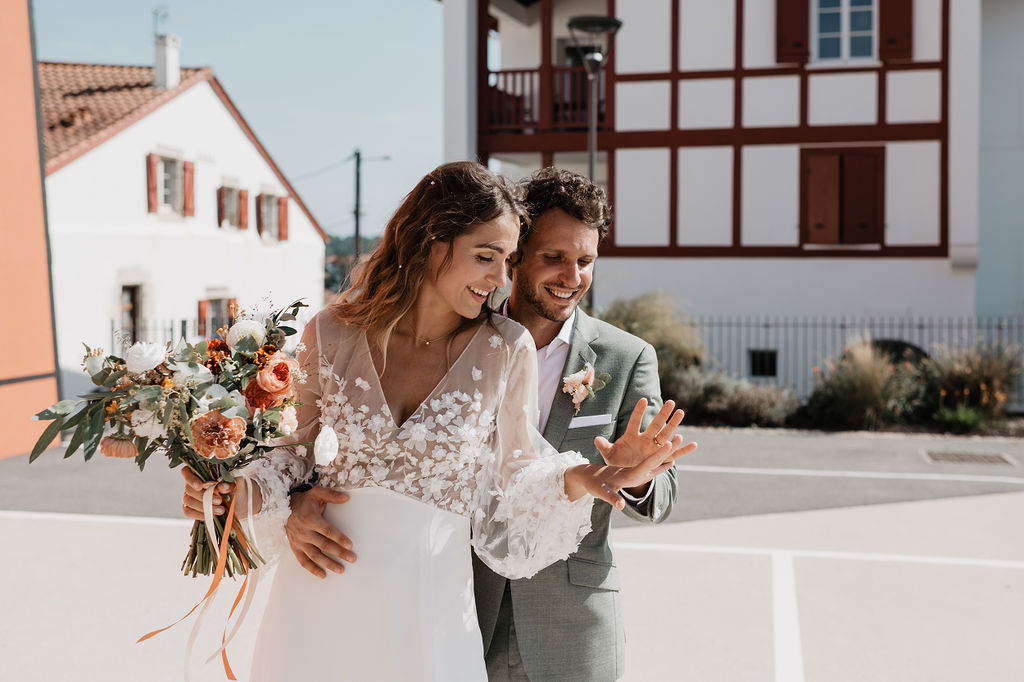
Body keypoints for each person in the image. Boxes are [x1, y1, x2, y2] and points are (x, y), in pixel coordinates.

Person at [181, 162, 691, 681]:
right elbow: (293, 453)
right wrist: (240, 495)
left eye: (506, 260)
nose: (500, 278)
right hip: (320, 595)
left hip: (432, 610)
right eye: (489, 258)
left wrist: (588, 478)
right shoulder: (331, 331)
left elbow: (520, 474)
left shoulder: (506, 348)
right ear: (430, 241)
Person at [475, 167, 684, 681]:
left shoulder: (626, 357)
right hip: (464, 611)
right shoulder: (465, 342)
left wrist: (637, 479)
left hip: (573, 627)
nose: (573, 277)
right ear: (516, 254)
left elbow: (661, 500)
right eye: (555, 258)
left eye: (585, 261)